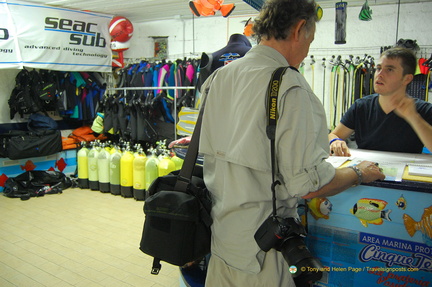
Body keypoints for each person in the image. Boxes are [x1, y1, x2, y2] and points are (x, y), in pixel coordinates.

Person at [198, 0, 385, 286]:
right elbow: (309, 185)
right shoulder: (289, 86)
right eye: (310, 38)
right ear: (299, 29)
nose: (308, 47)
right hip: (264, 254)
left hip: (221, 242)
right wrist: (360, 172)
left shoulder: (218, 78)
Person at [329, 47, 432, 156]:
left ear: (407, 79)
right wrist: (334, 141)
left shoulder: (424, 110)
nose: (380, 74)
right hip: (366, 169)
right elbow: (334, 135)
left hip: (406, 171)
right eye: (378, 68)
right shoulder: (361, 106)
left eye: (389, 69)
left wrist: (414, 118)